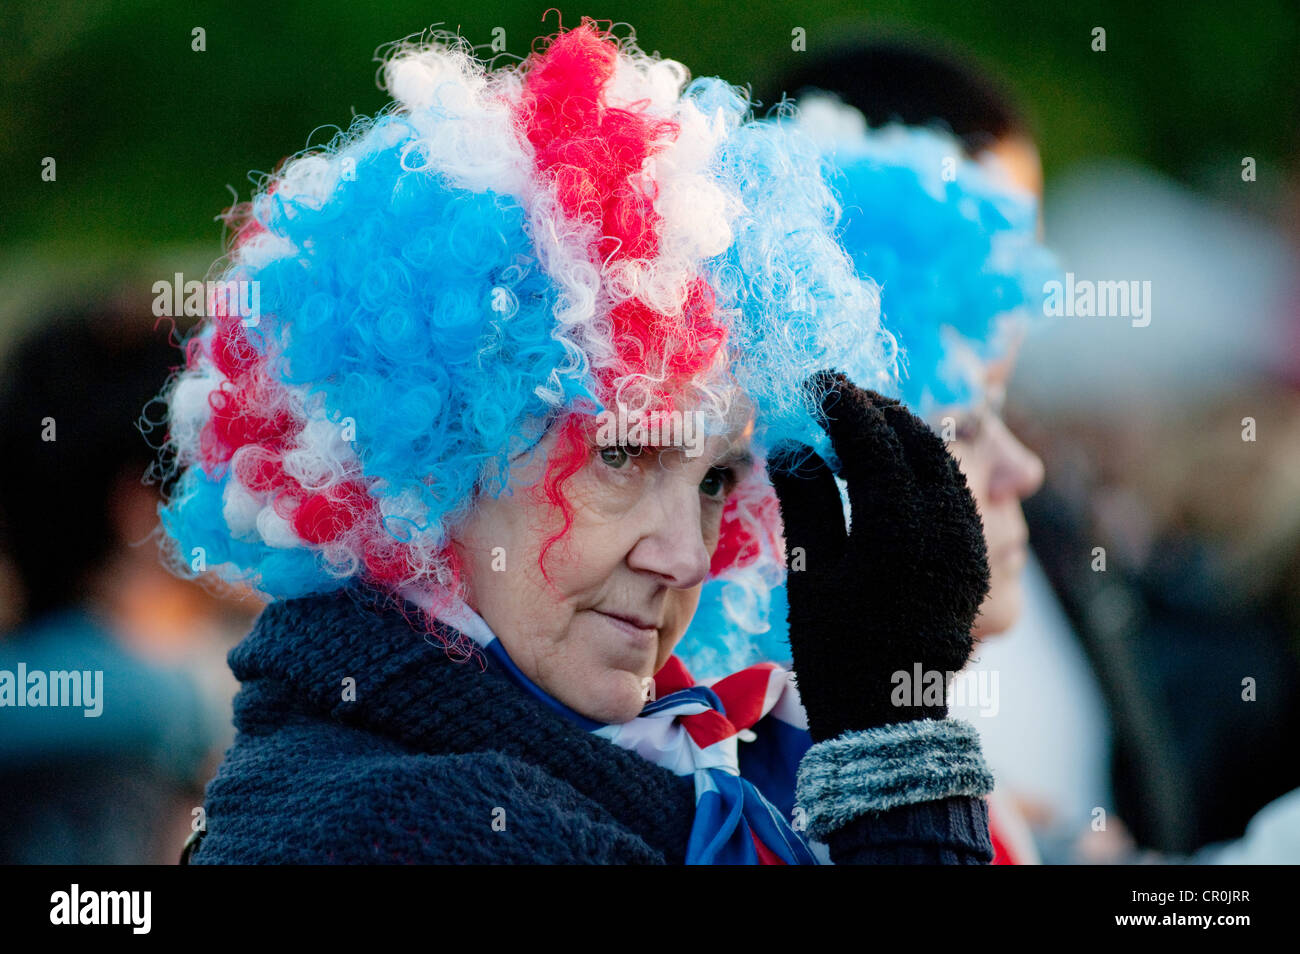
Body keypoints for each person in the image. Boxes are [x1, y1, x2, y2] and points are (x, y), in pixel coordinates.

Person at [167, 21, 997, 865]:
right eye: (622, 455)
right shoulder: (403, 824)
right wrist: (899, 763)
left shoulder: (657, 763)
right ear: (422, 470)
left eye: (716, 481)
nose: (687, 559)